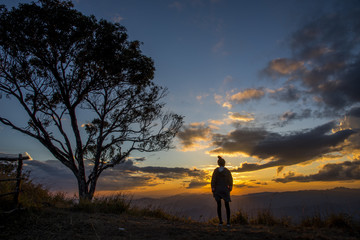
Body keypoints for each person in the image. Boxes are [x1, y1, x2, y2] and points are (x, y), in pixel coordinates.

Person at [211, 156, 233, 227]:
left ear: (218, 163)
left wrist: (213, 188)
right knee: (227, 206)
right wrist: (230, 187)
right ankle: (228, 222)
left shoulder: (216, 171)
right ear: (224, 163)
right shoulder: (227, 171)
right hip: (225, 189)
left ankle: (220, 222)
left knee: (219, 206)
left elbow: (213, 180)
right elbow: (230, 180)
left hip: (217, 189)